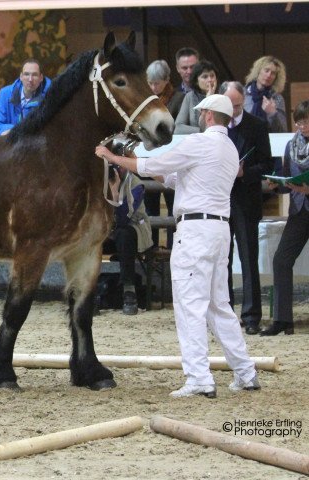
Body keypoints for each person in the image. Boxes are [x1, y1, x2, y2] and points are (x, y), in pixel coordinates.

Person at [95, 94, 260, 398]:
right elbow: (169, 175)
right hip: (218, 230)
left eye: (201, 113)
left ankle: (199, 378)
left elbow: (154, 163)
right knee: (218, 305)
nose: (198, 117)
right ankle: (245, 372)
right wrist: (131, 160)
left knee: (190, 306)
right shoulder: (228, 149)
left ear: (209, 115)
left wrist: (113, 157)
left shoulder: (199, 144)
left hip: (195, 231)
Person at [219, 81, 273, 335]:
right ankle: (225, 312)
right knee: (223, 258)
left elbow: (266, 165)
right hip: (220, 199)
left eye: (238, 106)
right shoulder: (215, 126)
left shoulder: (257, 126)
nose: (233, 111)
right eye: (229, 106)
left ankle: (251, 316)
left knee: (248, 256)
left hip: (246, 199)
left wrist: (244, 172)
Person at [261, 100, 309, 336]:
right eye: (299, 121)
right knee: (281, 260)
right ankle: (282, 320)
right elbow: (288, 180)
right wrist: (276, 184)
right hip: (299, 210)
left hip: (305, 199)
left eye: (306, 121)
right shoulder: (292, 145)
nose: (302, 125)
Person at [102, 170, 153, 315]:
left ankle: (129, 292)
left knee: (124, 234)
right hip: (108, 232)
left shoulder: (135, 183)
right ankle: (89, 293)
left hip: (134, 230)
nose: (116, 170)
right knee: (92, 240)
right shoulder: (101, 181)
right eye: (112, 166)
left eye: (118, 166)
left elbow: (124, 215)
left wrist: (114, 192)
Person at [145, 59, 182, 247]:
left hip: (170, 160)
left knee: (171, 207)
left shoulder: (178, 98)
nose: (153, 87)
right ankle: (150, 247)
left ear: (167, 80)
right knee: (150, 208)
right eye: (150, 83)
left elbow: (178, 126)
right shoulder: (145, 100)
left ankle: (171, 246)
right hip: (150, 157)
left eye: (157, 83)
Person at [0, 58, 51, 136]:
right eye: (26, 74)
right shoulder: (5, 94)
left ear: (41, 78)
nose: (30, 79)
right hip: (10, 145)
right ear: (21, 77)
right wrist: (19, 130)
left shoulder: (49, 97)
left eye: (34, 75)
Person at [244, 56, 287, 133]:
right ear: (258, 71)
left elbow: (282, 131)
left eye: (273, 73)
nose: (269, 75)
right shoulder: (243, 94)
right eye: (266, 70)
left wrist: (272, 113)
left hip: (268, 141)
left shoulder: (277, 98)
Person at [175, 60, 217, 134]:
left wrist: (210, 100)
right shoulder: (190, 97)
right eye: (205, 77)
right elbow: (178, 127)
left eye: (212, 76)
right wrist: (201, 132)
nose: (210, 80)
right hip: (196, 141)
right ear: (196, 81)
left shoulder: (222, 96)